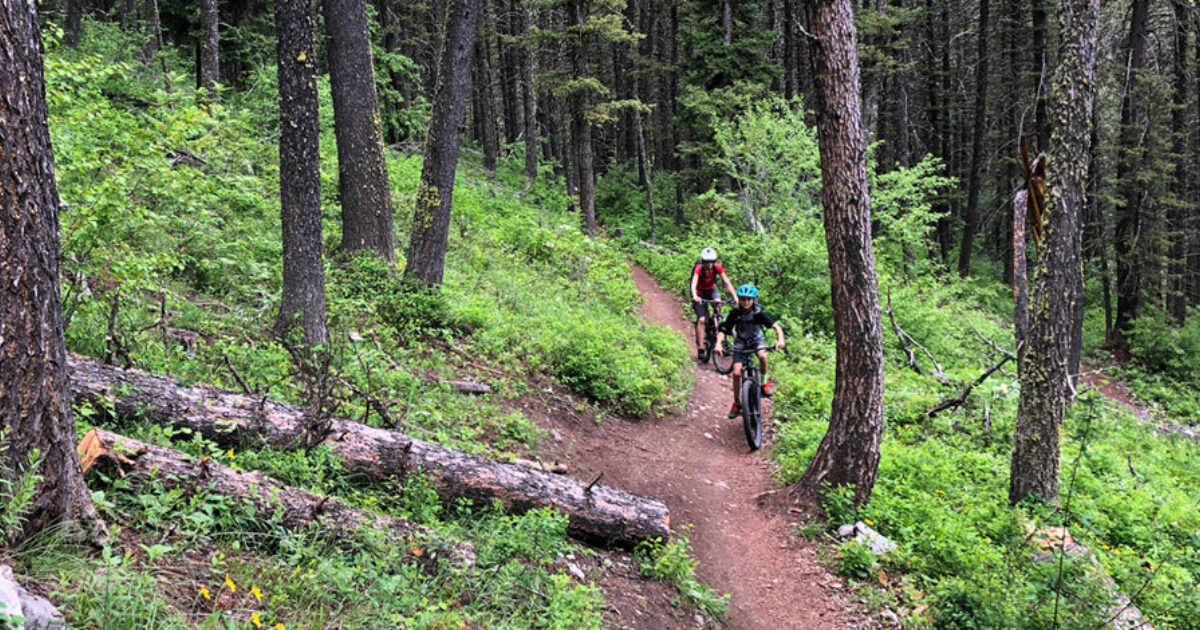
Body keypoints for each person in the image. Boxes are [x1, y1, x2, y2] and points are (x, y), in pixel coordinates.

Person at [714, 284, 785, 419]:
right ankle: (736, 402)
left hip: (755, 340)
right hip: (740, 343)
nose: (746, 302)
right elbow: (724, 330)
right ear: (739, 299)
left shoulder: (758, 313)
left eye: (748, 299)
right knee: (736, 373)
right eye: (743, 299)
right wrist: (718, 344)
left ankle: (764, 384)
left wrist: (780, 340)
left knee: (762, 356)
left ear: (753, 300)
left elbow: (776, 327)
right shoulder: (735, 313)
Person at [691, 247, 737, 361]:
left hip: (711, 290)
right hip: (699, 292)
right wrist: (695, 296)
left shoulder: (717, 268)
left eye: (712, 261)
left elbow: (727, 282)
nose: (710, 264)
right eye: (707, 261)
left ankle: (713, 323)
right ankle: (701, 348)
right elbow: (694, 283)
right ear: (703, 261)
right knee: (701, 319)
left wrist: (735, 297)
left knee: (719, 303)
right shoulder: (699, 268)